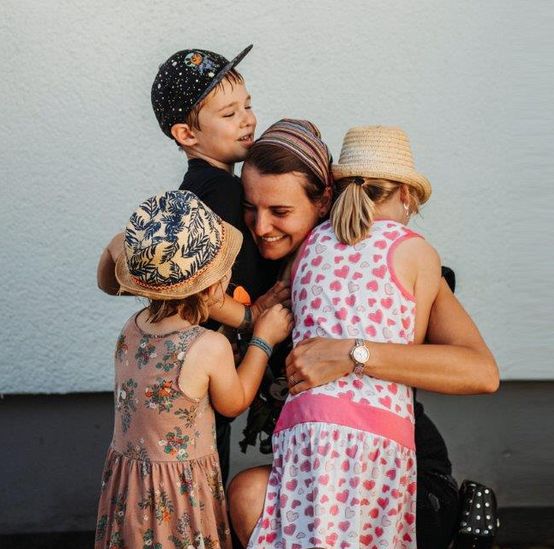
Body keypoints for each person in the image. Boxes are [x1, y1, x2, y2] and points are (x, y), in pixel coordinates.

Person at [96, 119, 498, 548]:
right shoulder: (239, 266)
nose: (261, 226)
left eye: (280, 212)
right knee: (246, 495)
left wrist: (353, 353)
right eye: (250, 207)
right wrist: (246, 316)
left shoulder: (382, 264)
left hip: (397, 469)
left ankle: (462, 528)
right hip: (315, 469)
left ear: (323, 202)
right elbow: (132, 274)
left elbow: (481, 372)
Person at [96, 45, 289, 483]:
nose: (247, 120)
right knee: (201, 471)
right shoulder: (220, 193)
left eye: (248, 106)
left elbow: (119, 272)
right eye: (229, 113)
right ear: (186, 134)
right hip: (204, 363)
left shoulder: (193, 191)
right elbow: (198, 289)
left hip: (184, 366)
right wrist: (251, 319)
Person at [246, 125, 441, 547]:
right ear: (406, 195)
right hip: (378, 430)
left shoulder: (310, 246)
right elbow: (410, 347)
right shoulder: (415, 250)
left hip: (303, 426)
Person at [94, 190, 293, 549]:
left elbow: (107, 279)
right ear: (214, 286)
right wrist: (264, 340)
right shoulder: (207, 346)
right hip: (178, 496)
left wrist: (133, 244)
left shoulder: (132, 327)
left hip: (132, 489)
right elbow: (235, 402)